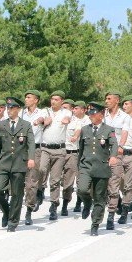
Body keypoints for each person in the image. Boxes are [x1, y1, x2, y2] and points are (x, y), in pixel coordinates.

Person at [0, 97, 36, 232]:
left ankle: (13, 221)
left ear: (18, 109)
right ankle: (7, 212)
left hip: (19, 163)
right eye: (8, 108)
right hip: (4, 162)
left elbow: (31, 143)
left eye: (12, 108)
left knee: (17, 194)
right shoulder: (1, 125)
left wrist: (31, 158)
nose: (9, 110)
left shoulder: (26, 125)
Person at [76, 102, 118, 236]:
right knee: (82, 189)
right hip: (86, 166)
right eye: (90, 114)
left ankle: (95, 224)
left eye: (93, 113)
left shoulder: (109, 130)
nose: (90, 116)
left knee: (100, 198)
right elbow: (81, 149)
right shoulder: (84, 129)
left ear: (101, 114)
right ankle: (87, 203)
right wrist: (79, 166)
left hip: (101, 167)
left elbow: (114, 145)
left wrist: (113, 156)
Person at [39, 91, 71, 221]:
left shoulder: (66, 112)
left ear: (62, 101)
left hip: (59, 150)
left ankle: (53, 205)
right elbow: (41, 119)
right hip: (45, 148)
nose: (53, 101)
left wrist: (65, 121)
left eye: (56, 99)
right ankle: (40, 191)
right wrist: (42, 121)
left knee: (55, 179)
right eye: (52, 99)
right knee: (41, 170)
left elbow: (68, 118)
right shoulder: (45, 111)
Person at [103, 91, 131, 230]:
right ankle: (117, 202)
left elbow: (124, 133)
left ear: (117, 100)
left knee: (114, 184)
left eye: (109, 99)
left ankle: (111, 215)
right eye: (106, 99)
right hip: (102, 155)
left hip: (117, 155)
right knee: (100, 185)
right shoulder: (102, 115)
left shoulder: (125, 117)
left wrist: (120, 146)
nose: (106, 101)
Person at [20, 90, 48, 225]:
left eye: (29, 97)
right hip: (20, 149)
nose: (26, 99)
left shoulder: (42, 112)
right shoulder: (21, 112)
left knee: (31, 181)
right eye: (25, 97)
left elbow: (46, 120)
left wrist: (40, 121)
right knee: (17, 180)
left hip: (35, 149)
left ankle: (29, 210)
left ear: (36, 100)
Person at [63, 101, 89, 215]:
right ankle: (65, 201)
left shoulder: (88, 120)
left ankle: (79, 202)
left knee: (80, 179)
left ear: (83, 110)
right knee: (66, 180)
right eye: (73, 109)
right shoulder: (68, 119)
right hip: (68, 152)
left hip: (83, 153)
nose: (74, 111)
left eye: (76, 108)